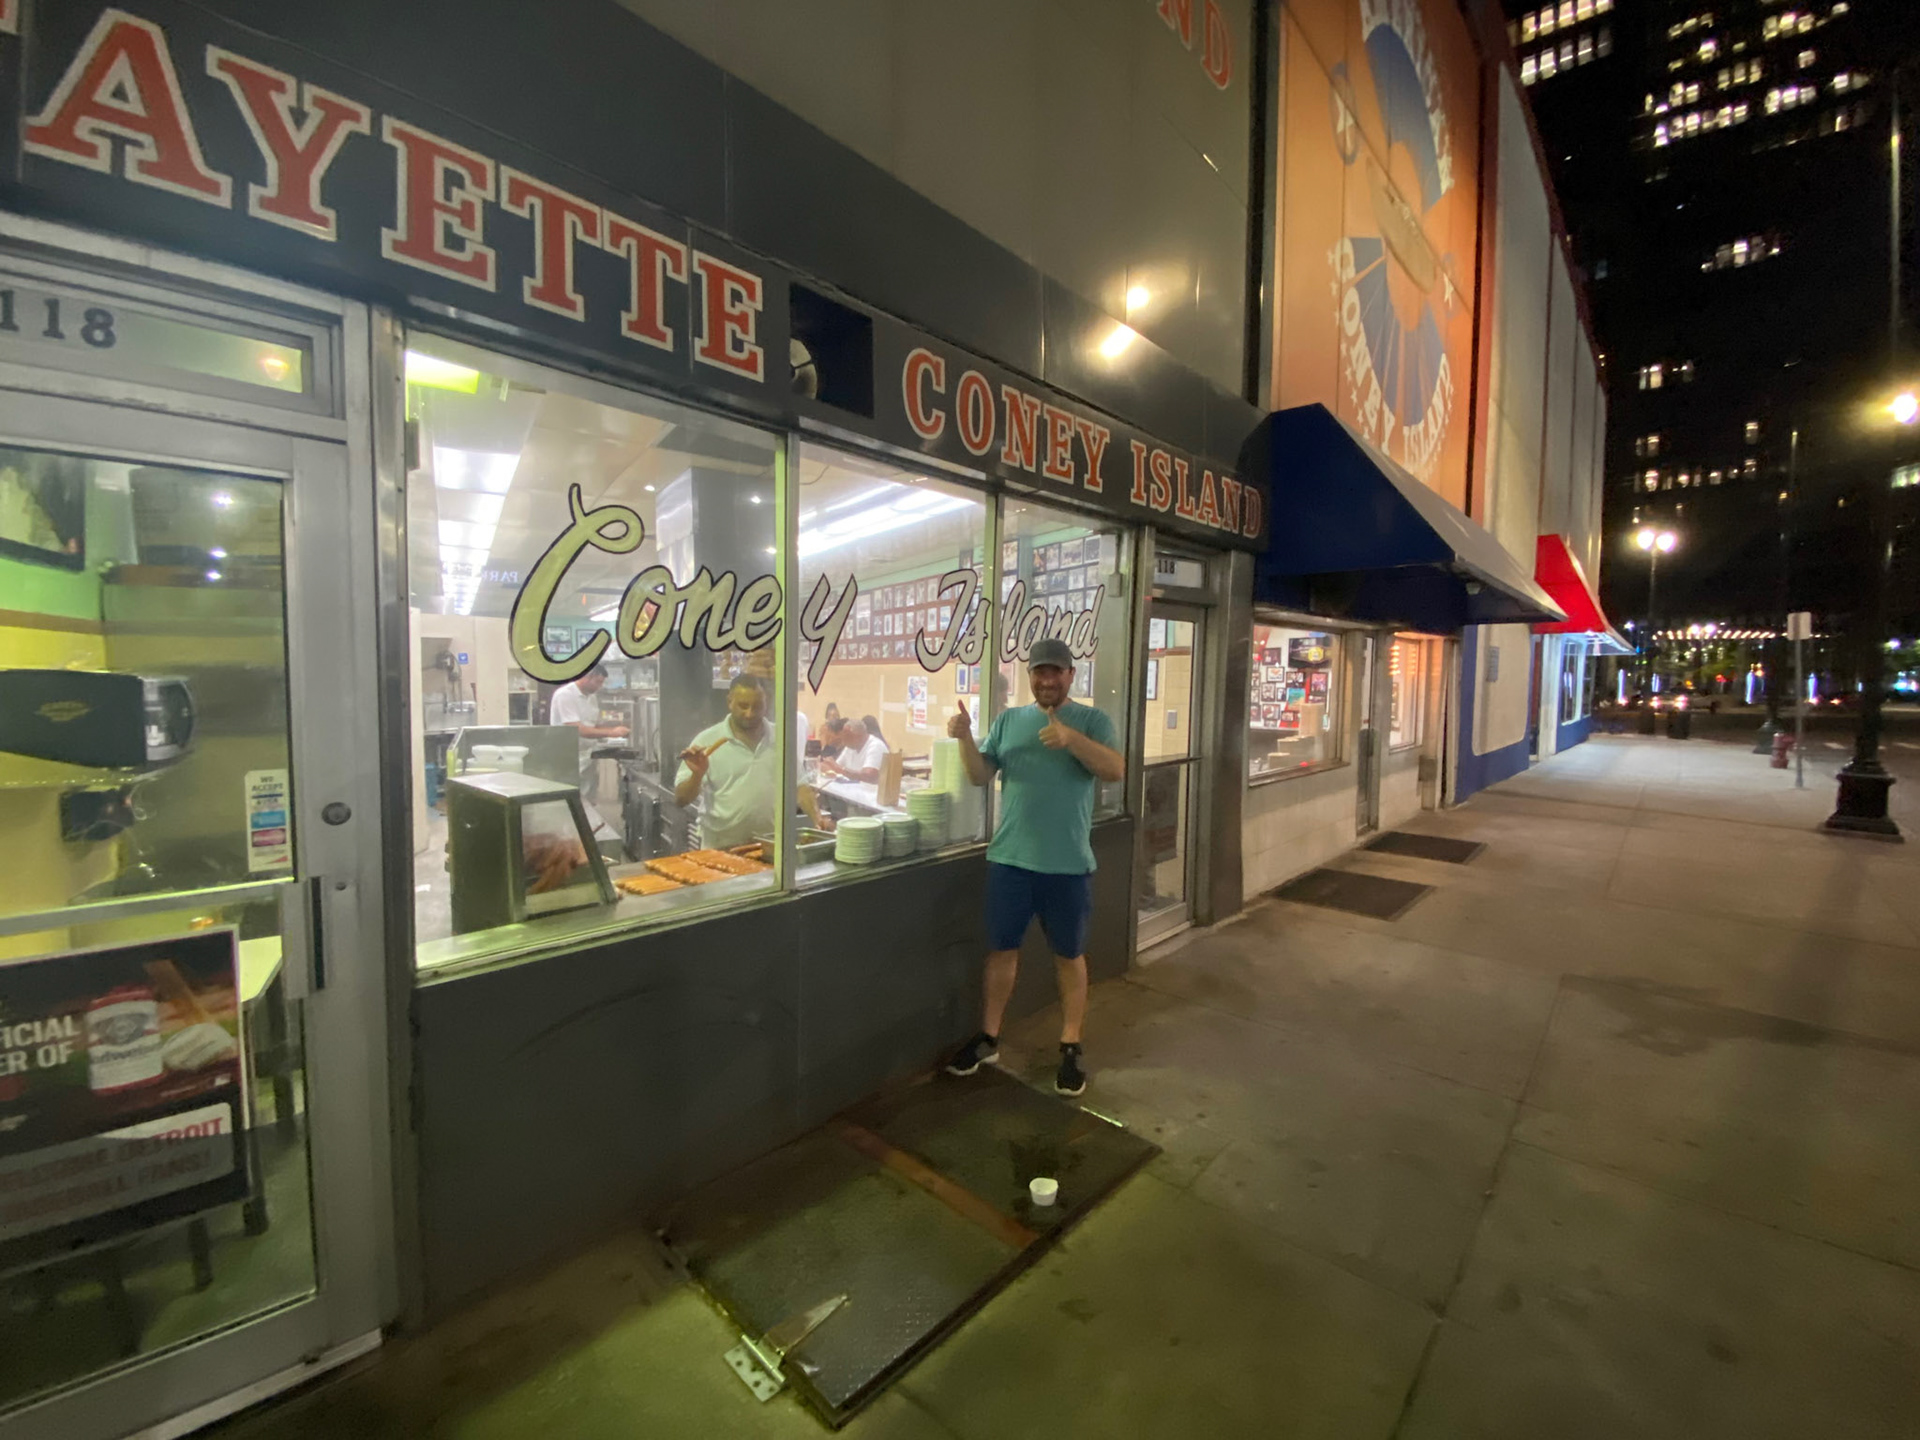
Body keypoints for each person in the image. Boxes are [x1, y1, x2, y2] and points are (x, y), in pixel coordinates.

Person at [943, 637, 1123, 1096]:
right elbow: (979, 775)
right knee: (1002, 951)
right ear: (1030, 677)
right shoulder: (1009, 721)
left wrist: (1071, 739)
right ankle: (989, 1038)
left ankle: (1071, 1046)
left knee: (1069, 956)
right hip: (1011, 860)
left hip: (1067, 865)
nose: (1047, 680)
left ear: (1070, 676)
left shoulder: (1093, 721)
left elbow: (1115, 770)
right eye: (1039, 672)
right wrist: (964, 738)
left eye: (1055, 672)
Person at [549, 664, 629, 838]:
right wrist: (611, 732)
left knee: (587, 800)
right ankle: (569, 838)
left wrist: (613, 729)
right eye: (598, 682)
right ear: (587, 676)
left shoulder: (591, 697)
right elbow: (576, 729)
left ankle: (585, 835)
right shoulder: (565, 695)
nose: (600, 686)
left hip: (587, 756)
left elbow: (592, 724)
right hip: (568, 757)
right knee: (571, 801)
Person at [820, 715, 889, 784]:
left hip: (869, 790)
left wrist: (841, 770)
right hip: (849, 788)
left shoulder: (876, 746)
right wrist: (825, 765)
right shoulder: (850, 747)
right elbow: (835, 767)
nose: (843, 739)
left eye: (847, 736)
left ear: (858, 736)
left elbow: (869, 776)